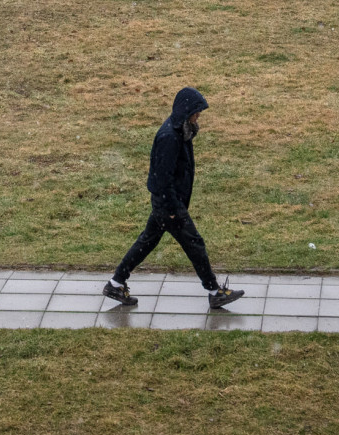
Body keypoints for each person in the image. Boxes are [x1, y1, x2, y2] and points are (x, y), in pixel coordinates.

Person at [103, 87, 245, 310]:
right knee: (194, 244)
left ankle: (116, 283)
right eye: (196, 112)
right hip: (170, 205)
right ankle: (214, 291)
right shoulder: (170, 137)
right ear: (186, 111)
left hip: (167, 203)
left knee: (146, 242)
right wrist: (171, 209)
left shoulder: (180, 131)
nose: (198, 116)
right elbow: (162, 178)